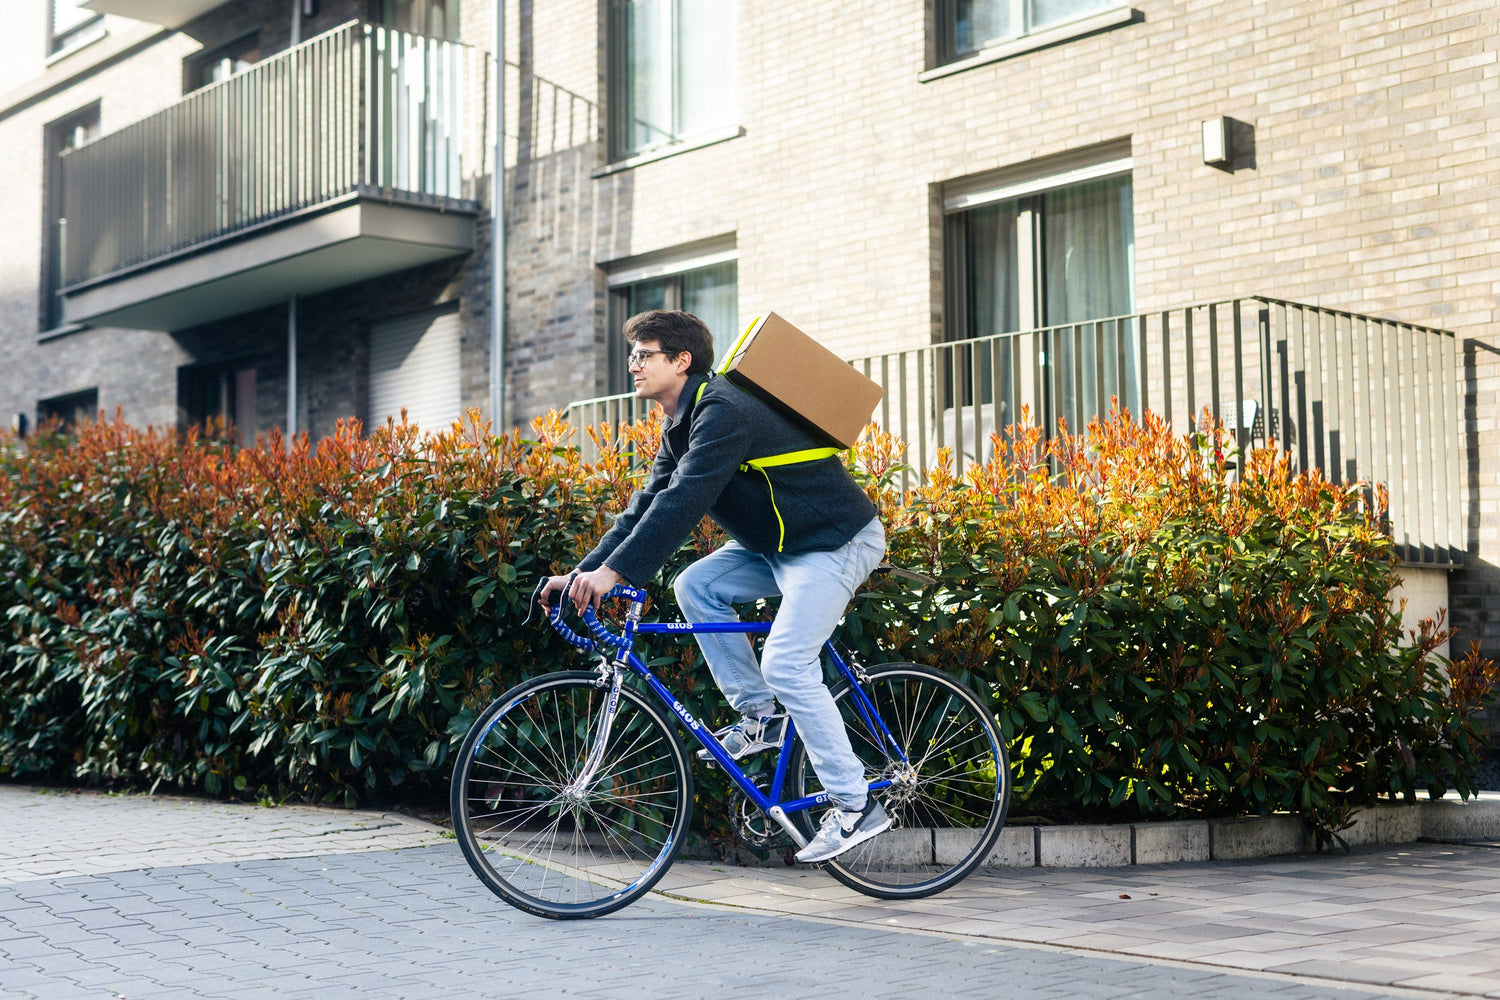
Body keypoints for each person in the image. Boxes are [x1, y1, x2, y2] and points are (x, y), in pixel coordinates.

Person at [539, 309, 889, 863]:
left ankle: (855, 805)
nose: (632, 365)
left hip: (832, 543)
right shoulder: (681, 421)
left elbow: (685, 500)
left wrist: (617, 574)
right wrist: (586, 571)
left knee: (787, 664)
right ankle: (761, 716)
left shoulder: (722, 409)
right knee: (696, 587)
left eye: (643, 354)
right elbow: (648, 503)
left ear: (681, 360)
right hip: (776, 546)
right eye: (631, 355)